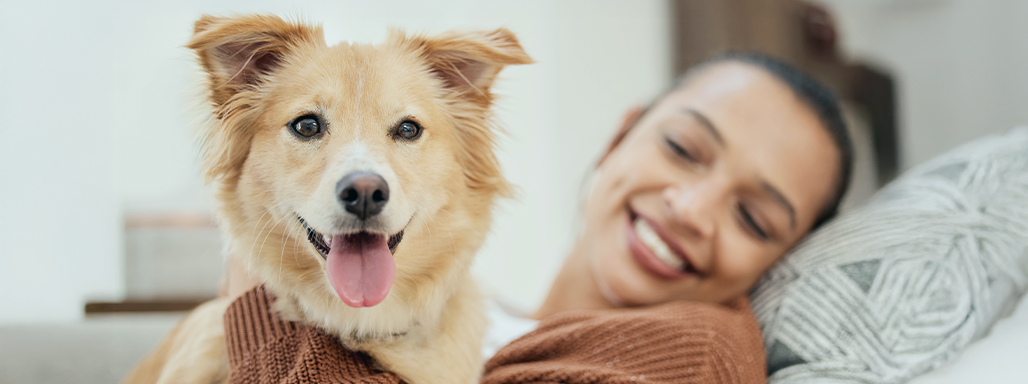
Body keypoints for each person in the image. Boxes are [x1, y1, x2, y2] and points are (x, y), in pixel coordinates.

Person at [220, 51, 854, 384]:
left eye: (752, 218)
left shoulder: (698, 356)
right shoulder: (471, 319)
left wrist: (254, 281)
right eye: (683, 150)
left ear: (781, 261)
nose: (689, 209)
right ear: (620, 136)